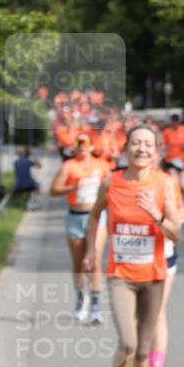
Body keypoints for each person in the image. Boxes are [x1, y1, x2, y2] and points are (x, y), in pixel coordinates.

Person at [82, 125, 181, 367]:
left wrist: (156, 214)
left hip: (153, 276)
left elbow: (176, 233)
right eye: (136, 143)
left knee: (143, 352)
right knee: (128, 343)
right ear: (126, 149)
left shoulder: (165, 184)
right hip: (120, 275)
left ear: (156, 151)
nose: (141, 149)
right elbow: (94, 215)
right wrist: (90, 252)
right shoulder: (112, 182)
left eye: (148, 145)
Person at [49, 133, 110, 323]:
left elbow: (113, 188)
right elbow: (53, 190)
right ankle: (80, 298)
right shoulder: (69, 166)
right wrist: (72, 187)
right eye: (79, 144)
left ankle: (95, 306)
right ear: (74, 147)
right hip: (75, 216)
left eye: (86, 144)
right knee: (78, 263)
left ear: (91, 147)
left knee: (94, 261)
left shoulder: (101, 166)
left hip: (96, 217)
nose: (82, 147)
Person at [144, 159, 184, 367]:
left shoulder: (167, 182)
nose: (143, 153)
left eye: (149, 147)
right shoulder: (120, 181)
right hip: (130, 260)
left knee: (157, 312)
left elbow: (181, 210)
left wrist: (171, 219)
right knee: (137, 318)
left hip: (162, 256)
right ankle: (137, 361)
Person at [162, 113, 184, 193]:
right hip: (170, 161)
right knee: (175, 183)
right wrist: (164, 150)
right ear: (171, 122)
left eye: (176, 121)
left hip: (183, 161)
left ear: (179, 122)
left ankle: (179, 198)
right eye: (173, 121)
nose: (175, 123)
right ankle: (176, 201)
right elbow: (162, 145)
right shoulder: (167, 132)